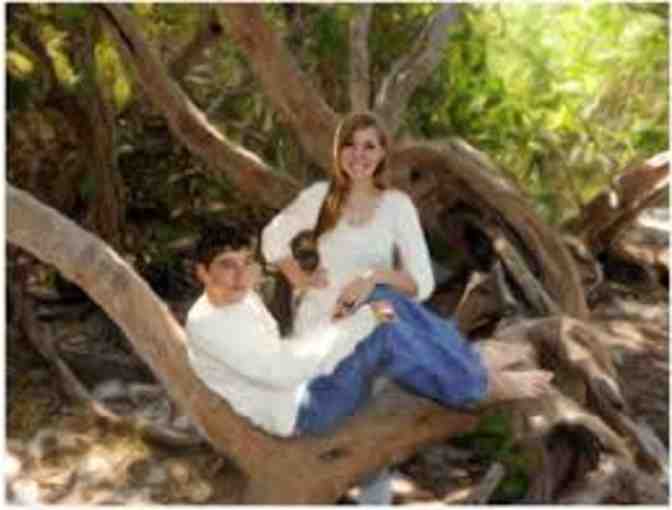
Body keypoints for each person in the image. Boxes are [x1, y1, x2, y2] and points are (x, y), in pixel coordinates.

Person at [260, 111, 552, 502]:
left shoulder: (397, 206)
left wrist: (374, 275)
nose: (359, 154)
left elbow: (422, 283)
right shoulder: (319, 198)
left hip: (368, 337)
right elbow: (272, 237)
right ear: (338, 150)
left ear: (383, 153)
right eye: (350, 145)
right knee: (382, 317)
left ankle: (470, 365)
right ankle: (477, 381)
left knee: (386, 302)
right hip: (321, 363)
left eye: (369, 146)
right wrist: (298, 277)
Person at [185, 224, 553, 500]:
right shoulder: (209, 326)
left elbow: (285, 351)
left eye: (245, 263)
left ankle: (467, 358)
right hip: (303, 409)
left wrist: (341, 314)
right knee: (383, 331)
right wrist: (356, 325)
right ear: (202, 272)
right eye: (226, 266)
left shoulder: (237, 298)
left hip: (304, 381)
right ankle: (475, 386)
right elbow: (281, 371)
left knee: (376, 291)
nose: (240, 276)